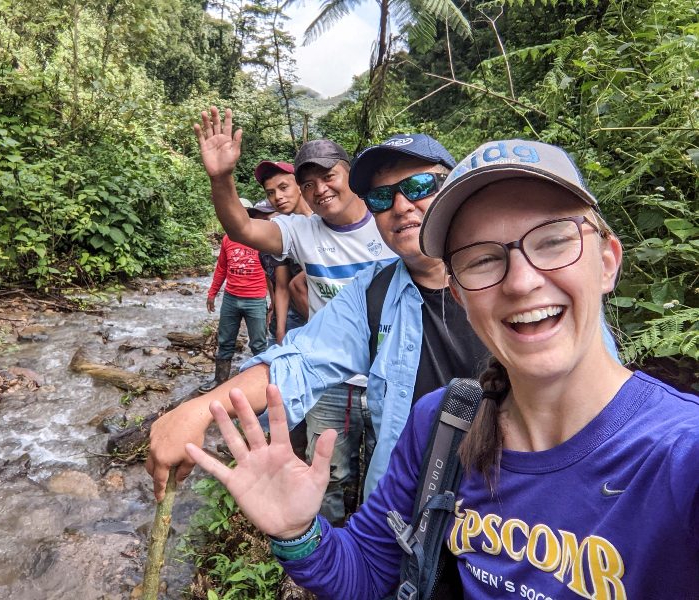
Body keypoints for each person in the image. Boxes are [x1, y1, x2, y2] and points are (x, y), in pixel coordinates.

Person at [183, 139, 699, 599]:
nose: (521, 282)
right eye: (483, 259)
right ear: (459, 288)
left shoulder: (677, 457)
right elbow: (368, 567)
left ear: (608, 261)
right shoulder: (437, 420)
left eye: (553, 241)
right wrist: (297, 534)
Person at [148, 127, 496, 520]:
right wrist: (197, 411)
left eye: (418, 186)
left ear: (454, 189)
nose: (400, 206)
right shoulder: (372, 292)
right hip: (408, 506)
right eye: (382, 197)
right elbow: (300, 359)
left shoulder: (518, 276)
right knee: (334, 467)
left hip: (511, 512)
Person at [200, 198, 269, 392]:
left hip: (255, 299)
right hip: (231, 298)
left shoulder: (259, 236)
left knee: (259, 344)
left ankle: (261, 385)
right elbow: (221, 268)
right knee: (225, 340)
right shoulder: (227, 239)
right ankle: (220, 380)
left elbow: (271, 271)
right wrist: (212, 293)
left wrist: (273, 303)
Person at [250, 160, 311, 346]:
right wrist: (280, 329)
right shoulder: (281, 230)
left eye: (284, 187)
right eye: (271, 193)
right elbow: (281, 285)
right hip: (296, 314)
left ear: (299, 186)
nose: (278, 197)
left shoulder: (324, 219)